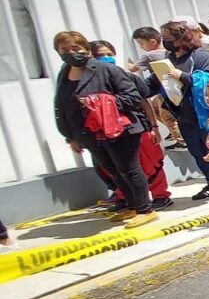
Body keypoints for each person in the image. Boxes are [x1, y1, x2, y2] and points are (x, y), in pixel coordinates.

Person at [53, 31, 158, 228]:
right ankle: (132, 206)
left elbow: (132, 97)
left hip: (120, 130)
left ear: (86, 49)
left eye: (76, 48)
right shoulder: (64, 73)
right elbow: (61, 105)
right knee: (114, 171)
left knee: (129, 169)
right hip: (89, 132)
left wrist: (99, 102)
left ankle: (145, 209)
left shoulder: (106, 70)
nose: (70, 53)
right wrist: (70, 136)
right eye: (64, 50)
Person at [90, 40, 172, 211]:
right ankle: (124, 197)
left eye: (109, 54)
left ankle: (160, 195)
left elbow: (144, 101)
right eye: (100, 55)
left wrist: (154, 127)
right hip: (107, 132)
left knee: (151, 163)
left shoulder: (128, 77)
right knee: (116, 168)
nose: (106, 58)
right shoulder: (90, 83)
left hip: (137, 127)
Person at [155, 18, 209, 200]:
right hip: (183, 113)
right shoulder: (169, 59)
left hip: (204, 112)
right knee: (196, 150)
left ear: (182, 37)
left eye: (168, 37)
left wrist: (184, 76)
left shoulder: (200, 56)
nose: (165, 41)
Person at [130, 26, 186, 150]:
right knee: (156, 110)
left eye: (141, 43)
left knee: (167, 116)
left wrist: (128, 62)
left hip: (164, 91)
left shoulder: (149, 55)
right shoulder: (168, 53)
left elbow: (133, 68)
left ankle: (182, 140)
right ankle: (175, 134)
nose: (141, 47)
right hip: (172, 89)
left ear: (152, 42)